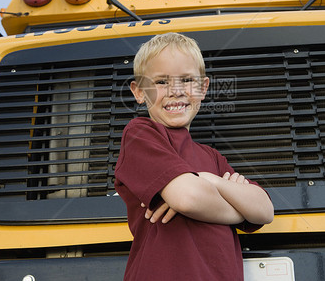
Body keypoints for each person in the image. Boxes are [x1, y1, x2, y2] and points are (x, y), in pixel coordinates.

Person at [114, 32, 274, 280]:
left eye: (187, 80)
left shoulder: (212, 157)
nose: (176, 91)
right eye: (161, 82)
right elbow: (187, 198)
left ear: (203, 88)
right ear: (138, 92)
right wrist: (238, 211)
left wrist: (210, 180)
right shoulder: (140, 135)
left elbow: (264, 210)